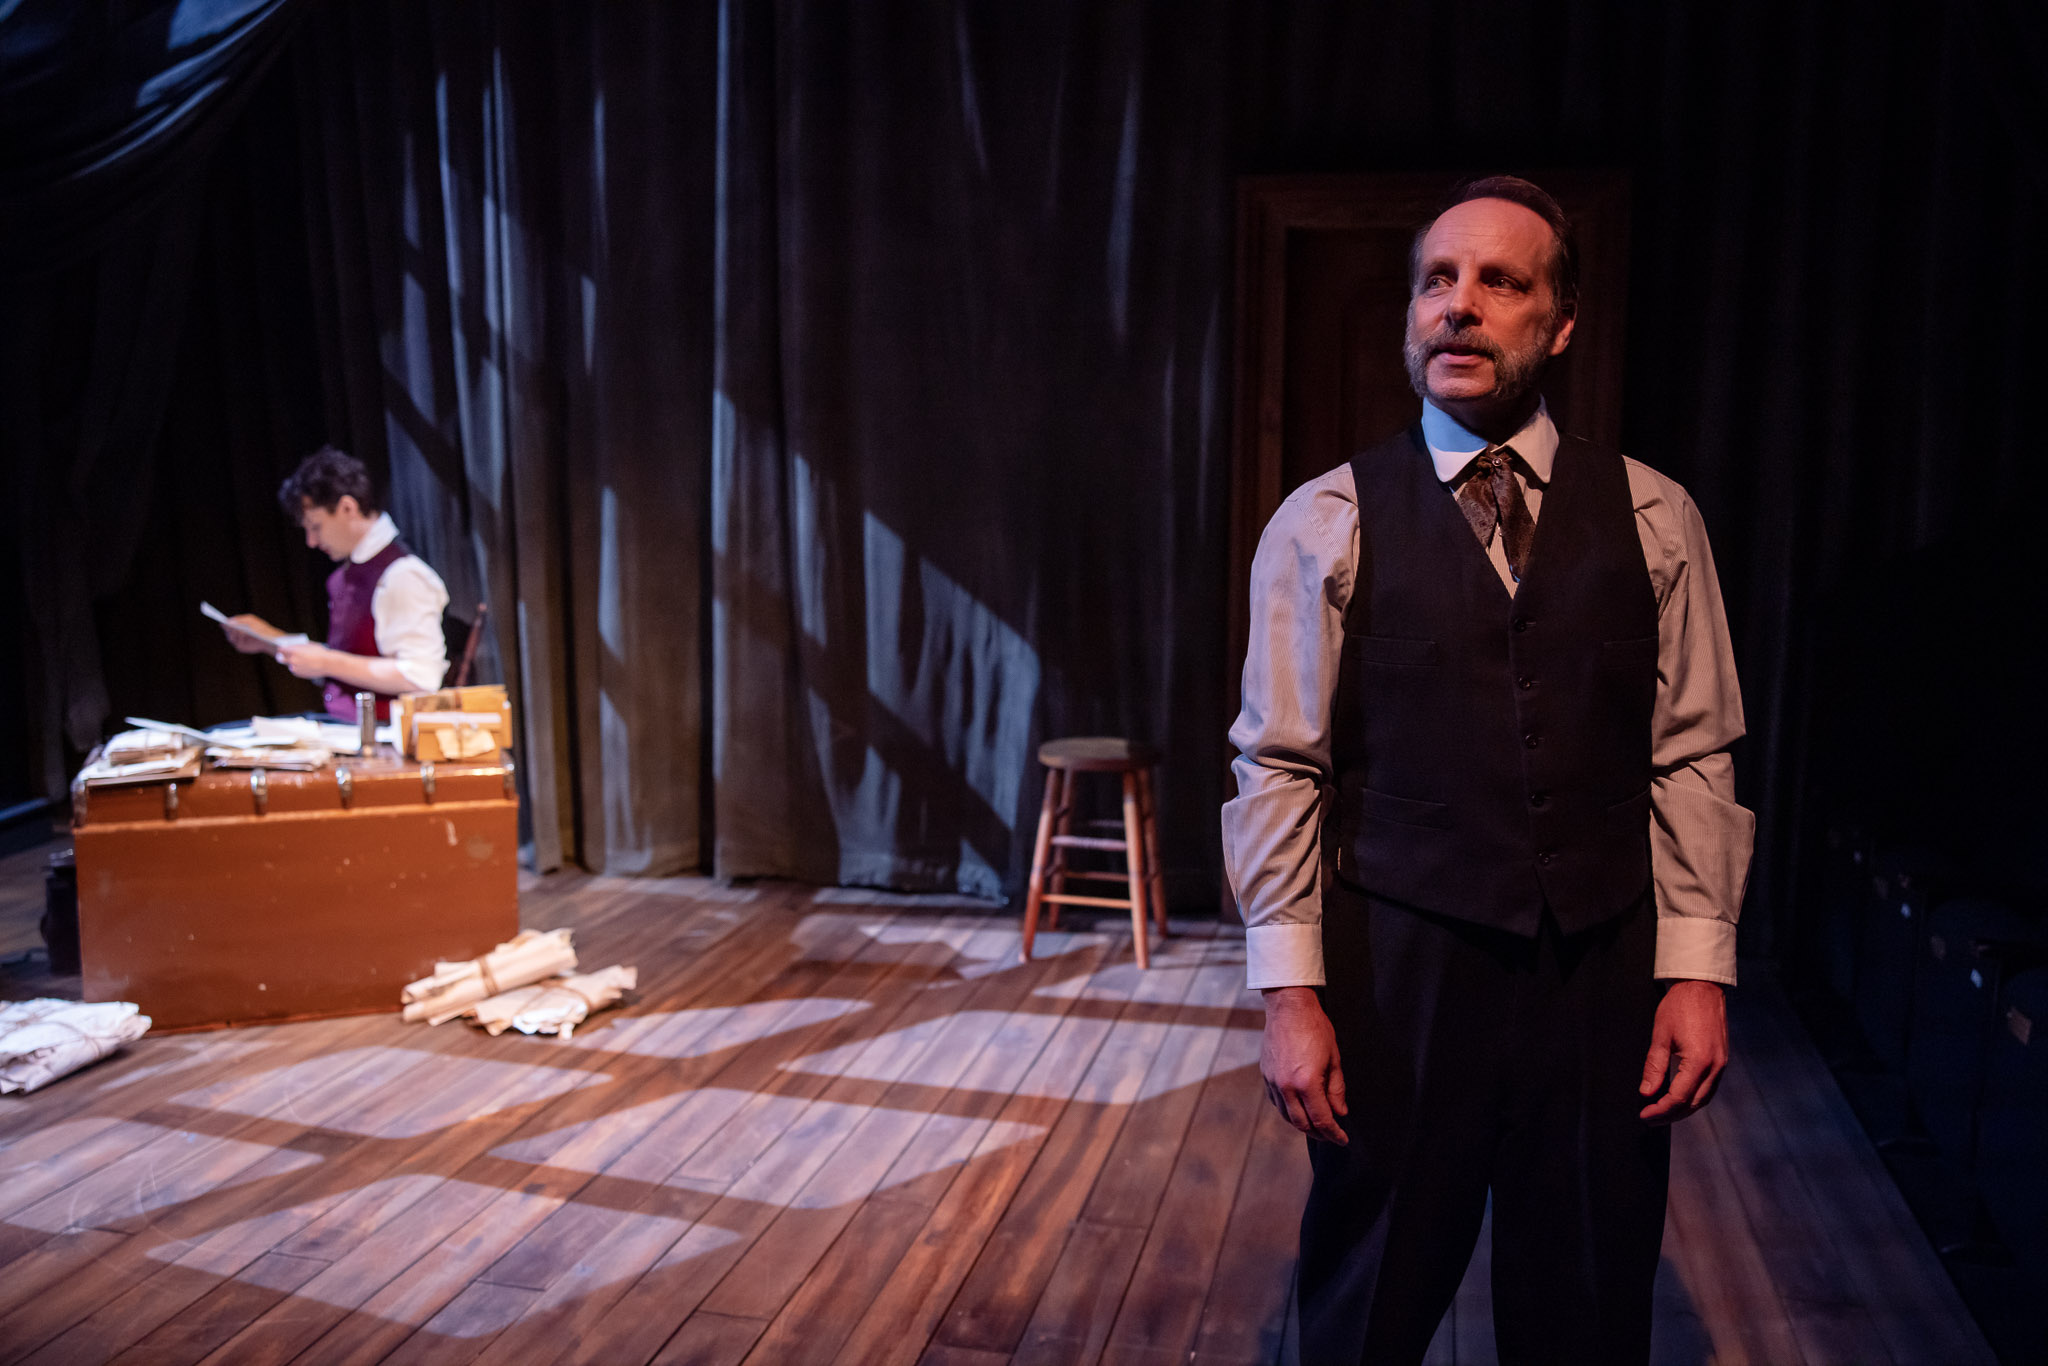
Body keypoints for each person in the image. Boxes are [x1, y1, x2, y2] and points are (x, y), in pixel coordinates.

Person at [1223, 176, 1754, 1365]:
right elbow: (1278, 765)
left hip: (1598, 966)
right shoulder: (1324, 520)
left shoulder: (1656, 516)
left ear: (1558, 325)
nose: (1457, 306)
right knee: (1371, 1290)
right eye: (1436, 279)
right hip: (1398, 963)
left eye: (1499, 282)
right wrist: (1289, 994)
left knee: (1585, 1289)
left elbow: (1692, 756)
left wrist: (1694, 971)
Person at [222, 446, 450, 720]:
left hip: (382, 741)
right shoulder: (348, 575)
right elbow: (348, 662)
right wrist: (270, 641)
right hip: (343, 728)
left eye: (315, 526)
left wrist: (328, 662)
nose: (311, 541)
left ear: (347, 508)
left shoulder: (402, 575)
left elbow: (421, 676)